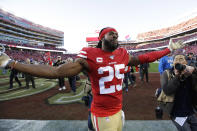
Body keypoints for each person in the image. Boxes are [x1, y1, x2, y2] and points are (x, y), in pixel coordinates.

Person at [0, 27, 185, 131]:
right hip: (102, 113)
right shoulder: (89, 55)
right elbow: (55, 72)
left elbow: (145, 58)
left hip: (117, 109)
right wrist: (12, 64)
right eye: (112, 33)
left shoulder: (122, 53)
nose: (116, 36)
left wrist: (168, 49)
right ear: (101, 37)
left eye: (117, 35)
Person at [161, 54, 197, 131]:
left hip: (190, 111)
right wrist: (177, 76)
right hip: (177, 113)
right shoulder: (167, 73)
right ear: (174, 64)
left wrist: (194, 70)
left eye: (183, 66)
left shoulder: (189, 75)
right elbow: (167, 91)